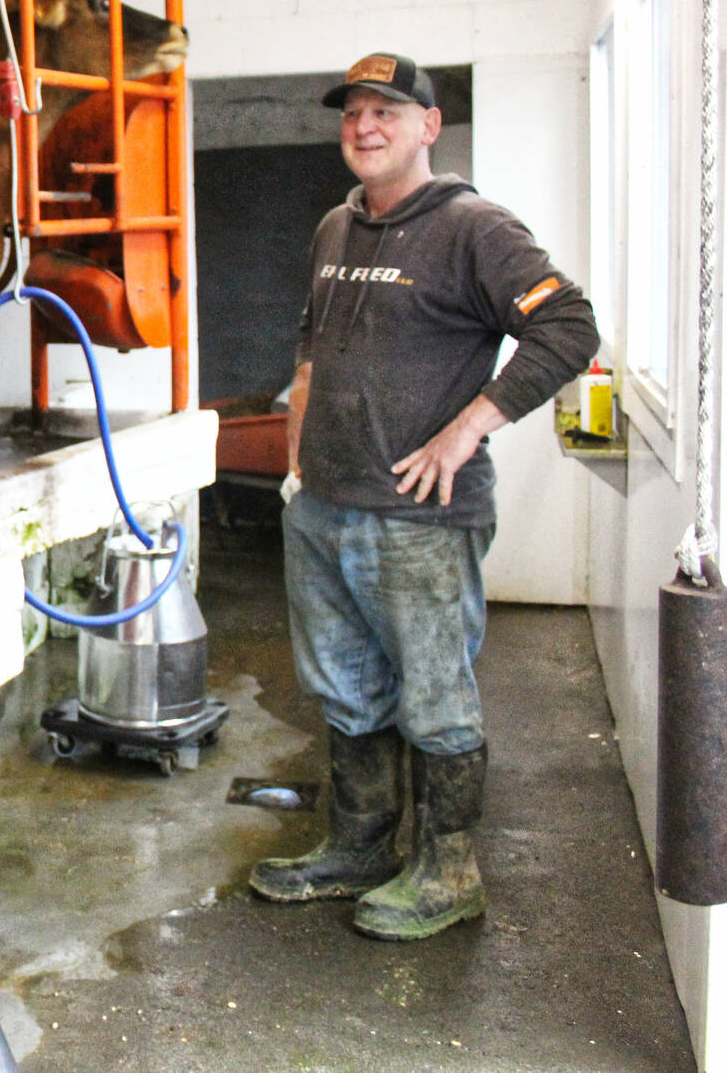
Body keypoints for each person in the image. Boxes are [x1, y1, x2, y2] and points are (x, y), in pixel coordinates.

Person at [248, 52, 600, 940]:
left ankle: (449, 871)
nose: (365, 127)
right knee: (346, 690)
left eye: (386, 112)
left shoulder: (474, 227)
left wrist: (469, 426)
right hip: (324, 505)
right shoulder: (337, 225)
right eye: (353, 113)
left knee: (435, 694)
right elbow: (310, 337)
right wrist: (297, 441)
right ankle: (360, 848)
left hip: (419, 517)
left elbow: (569, 325)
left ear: (428, 126)